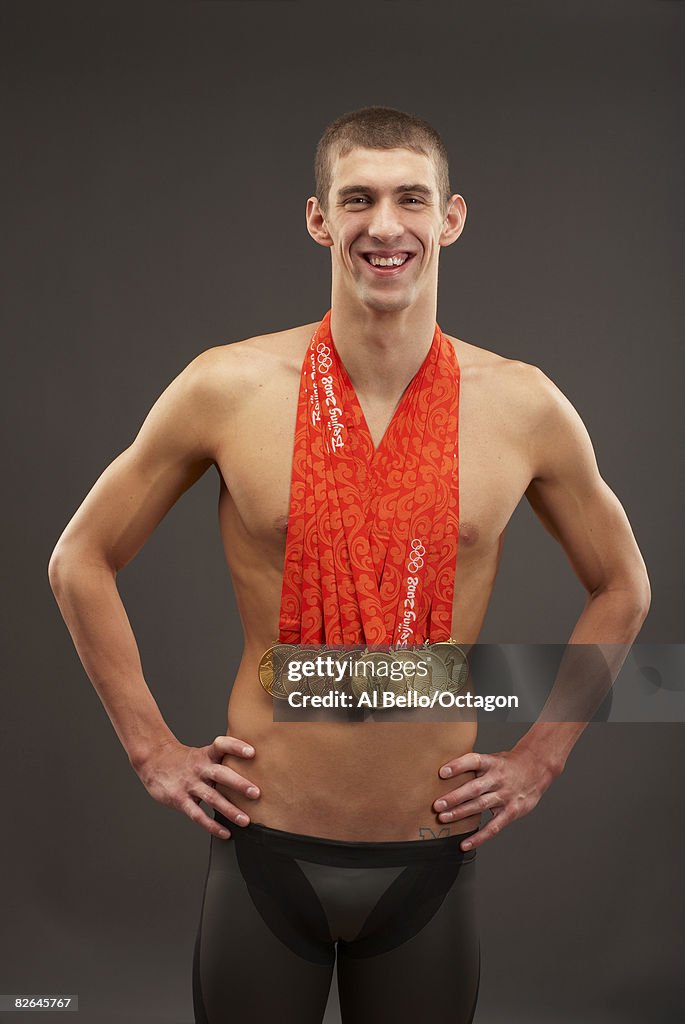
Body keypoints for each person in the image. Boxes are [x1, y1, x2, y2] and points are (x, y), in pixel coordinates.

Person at [48, 107, 651, 1024]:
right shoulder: (229, 385)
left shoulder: (522, 404)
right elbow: (79, 558)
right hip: (265, 845)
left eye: (410, 199)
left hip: (428, 855)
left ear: (449, 219)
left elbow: (623, 588)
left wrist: (540, 758)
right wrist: (149, 748)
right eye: (356, 199)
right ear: (317, 219)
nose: (384, 225)